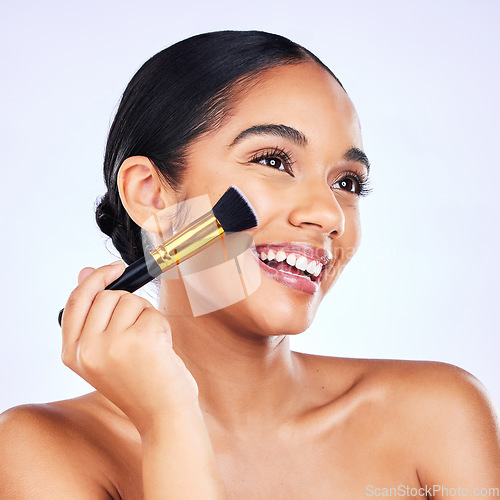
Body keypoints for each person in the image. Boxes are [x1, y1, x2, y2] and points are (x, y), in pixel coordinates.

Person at [0, 30, 498, 499]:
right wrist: (170, 421)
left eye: (347, 183)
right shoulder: (41, 449)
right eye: (274, 161)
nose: (328, 215)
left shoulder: (438, 416)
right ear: (150, 194)